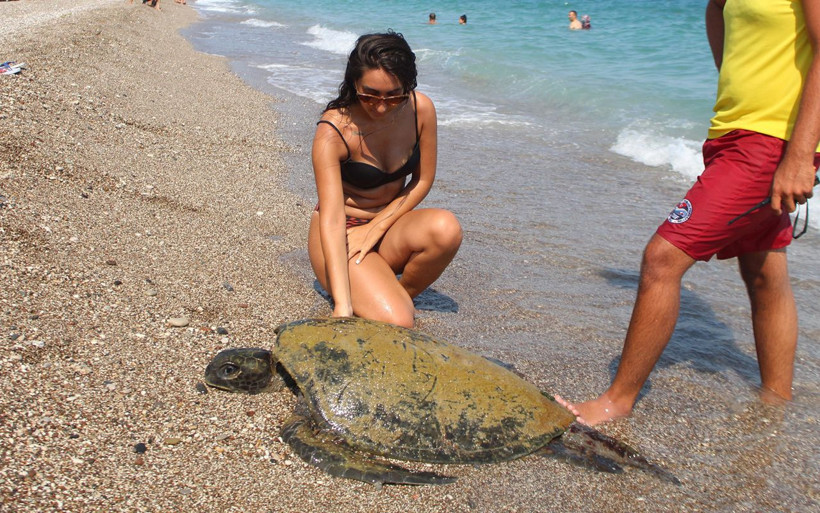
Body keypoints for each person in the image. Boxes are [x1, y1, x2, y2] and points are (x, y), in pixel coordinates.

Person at [561, 0, 820, 426]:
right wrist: (732, 79)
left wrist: (800, 156)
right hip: (733, 133)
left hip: (771, 140)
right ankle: (776, 406)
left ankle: (616, 402)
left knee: (661, 259)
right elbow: (717, 8)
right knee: (763, 271)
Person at [308, 31, 463, 329]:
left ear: (408, 85)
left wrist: (377, 227)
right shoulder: (334, 129)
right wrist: (343, 305)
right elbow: (331, 218)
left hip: (389, 226)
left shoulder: (420, 110)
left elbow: (423, 180)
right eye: (369, 95)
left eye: (393, 96)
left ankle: (394, 295)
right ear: (354, 83)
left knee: (446, 229)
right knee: (399, 321)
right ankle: (376, 298)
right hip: (343, 233)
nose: (380, 106)